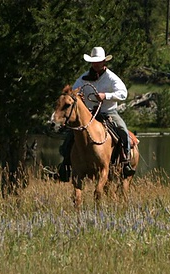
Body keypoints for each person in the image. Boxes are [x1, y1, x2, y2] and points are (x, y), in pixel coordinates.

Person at [57, 46, 135, 181]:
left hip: (108, 112)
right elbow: (73, 93)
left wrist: (106, 96)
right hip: (89, 114)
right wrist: (76, 95)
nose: (96, 64)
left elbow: (123, 93)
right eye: (94, 61)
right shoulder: (83, 78)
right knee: (70, 137)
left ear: (104, 62)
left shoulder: (111, 77)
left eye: (99, 61)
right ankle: (65, 166)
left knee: (122, 130)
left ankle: (125, 162)